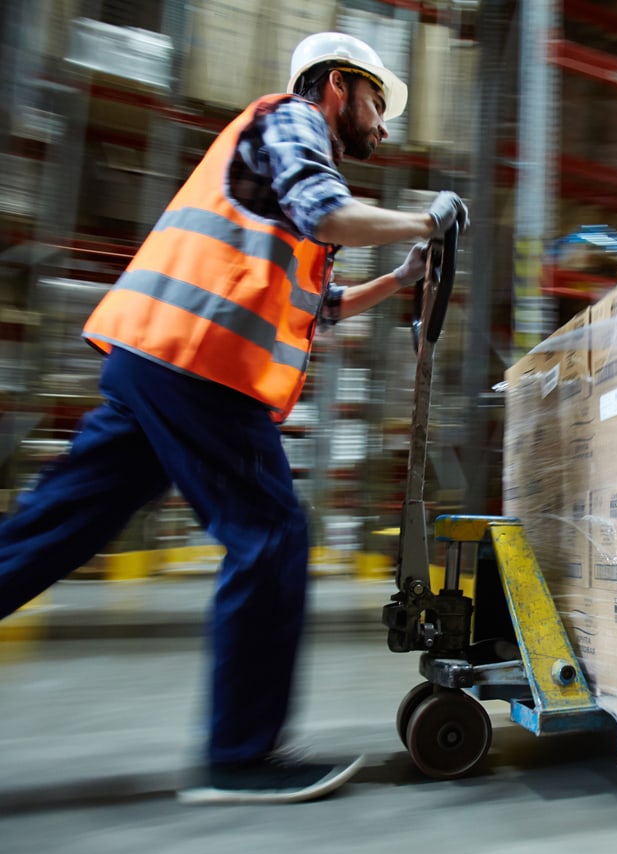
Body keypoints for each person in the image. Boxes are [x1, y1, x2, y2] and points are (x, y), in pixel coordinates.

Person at [0, 32, 469, 803]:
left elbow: (322, 307)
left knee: (58, 526)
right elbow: (327, 213)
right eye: (377, 102)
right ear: (336, 87)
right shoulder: (291, 122)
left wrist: (402, 275)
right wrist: (425, 221)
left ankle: (240, 751)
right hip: (199, 367)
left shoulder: (282, 174)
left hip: (158, 359)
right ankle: (242, 758)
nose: (383, 126)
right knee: (271, 535)